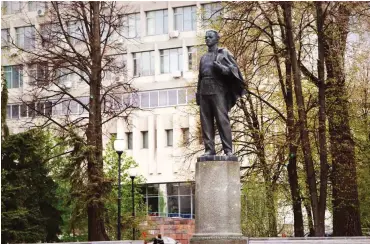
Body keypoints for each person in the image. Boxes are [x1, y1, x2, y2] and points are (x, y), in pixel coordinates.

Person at [196, 30, 246, 156]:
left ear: (216, 39)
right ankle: (209, 149)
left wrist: (222, 68)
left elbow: (234, 70)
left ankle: (228, 150)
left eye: (210, 37)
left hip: (218, 89)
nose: (207, 39)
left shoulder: (223, 54)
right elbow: (200, 77)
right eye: (206, 37)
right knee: (206, 121)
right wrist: (198, 93)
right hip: (204, 90)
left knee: (222, 119)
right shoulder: (203, 57)